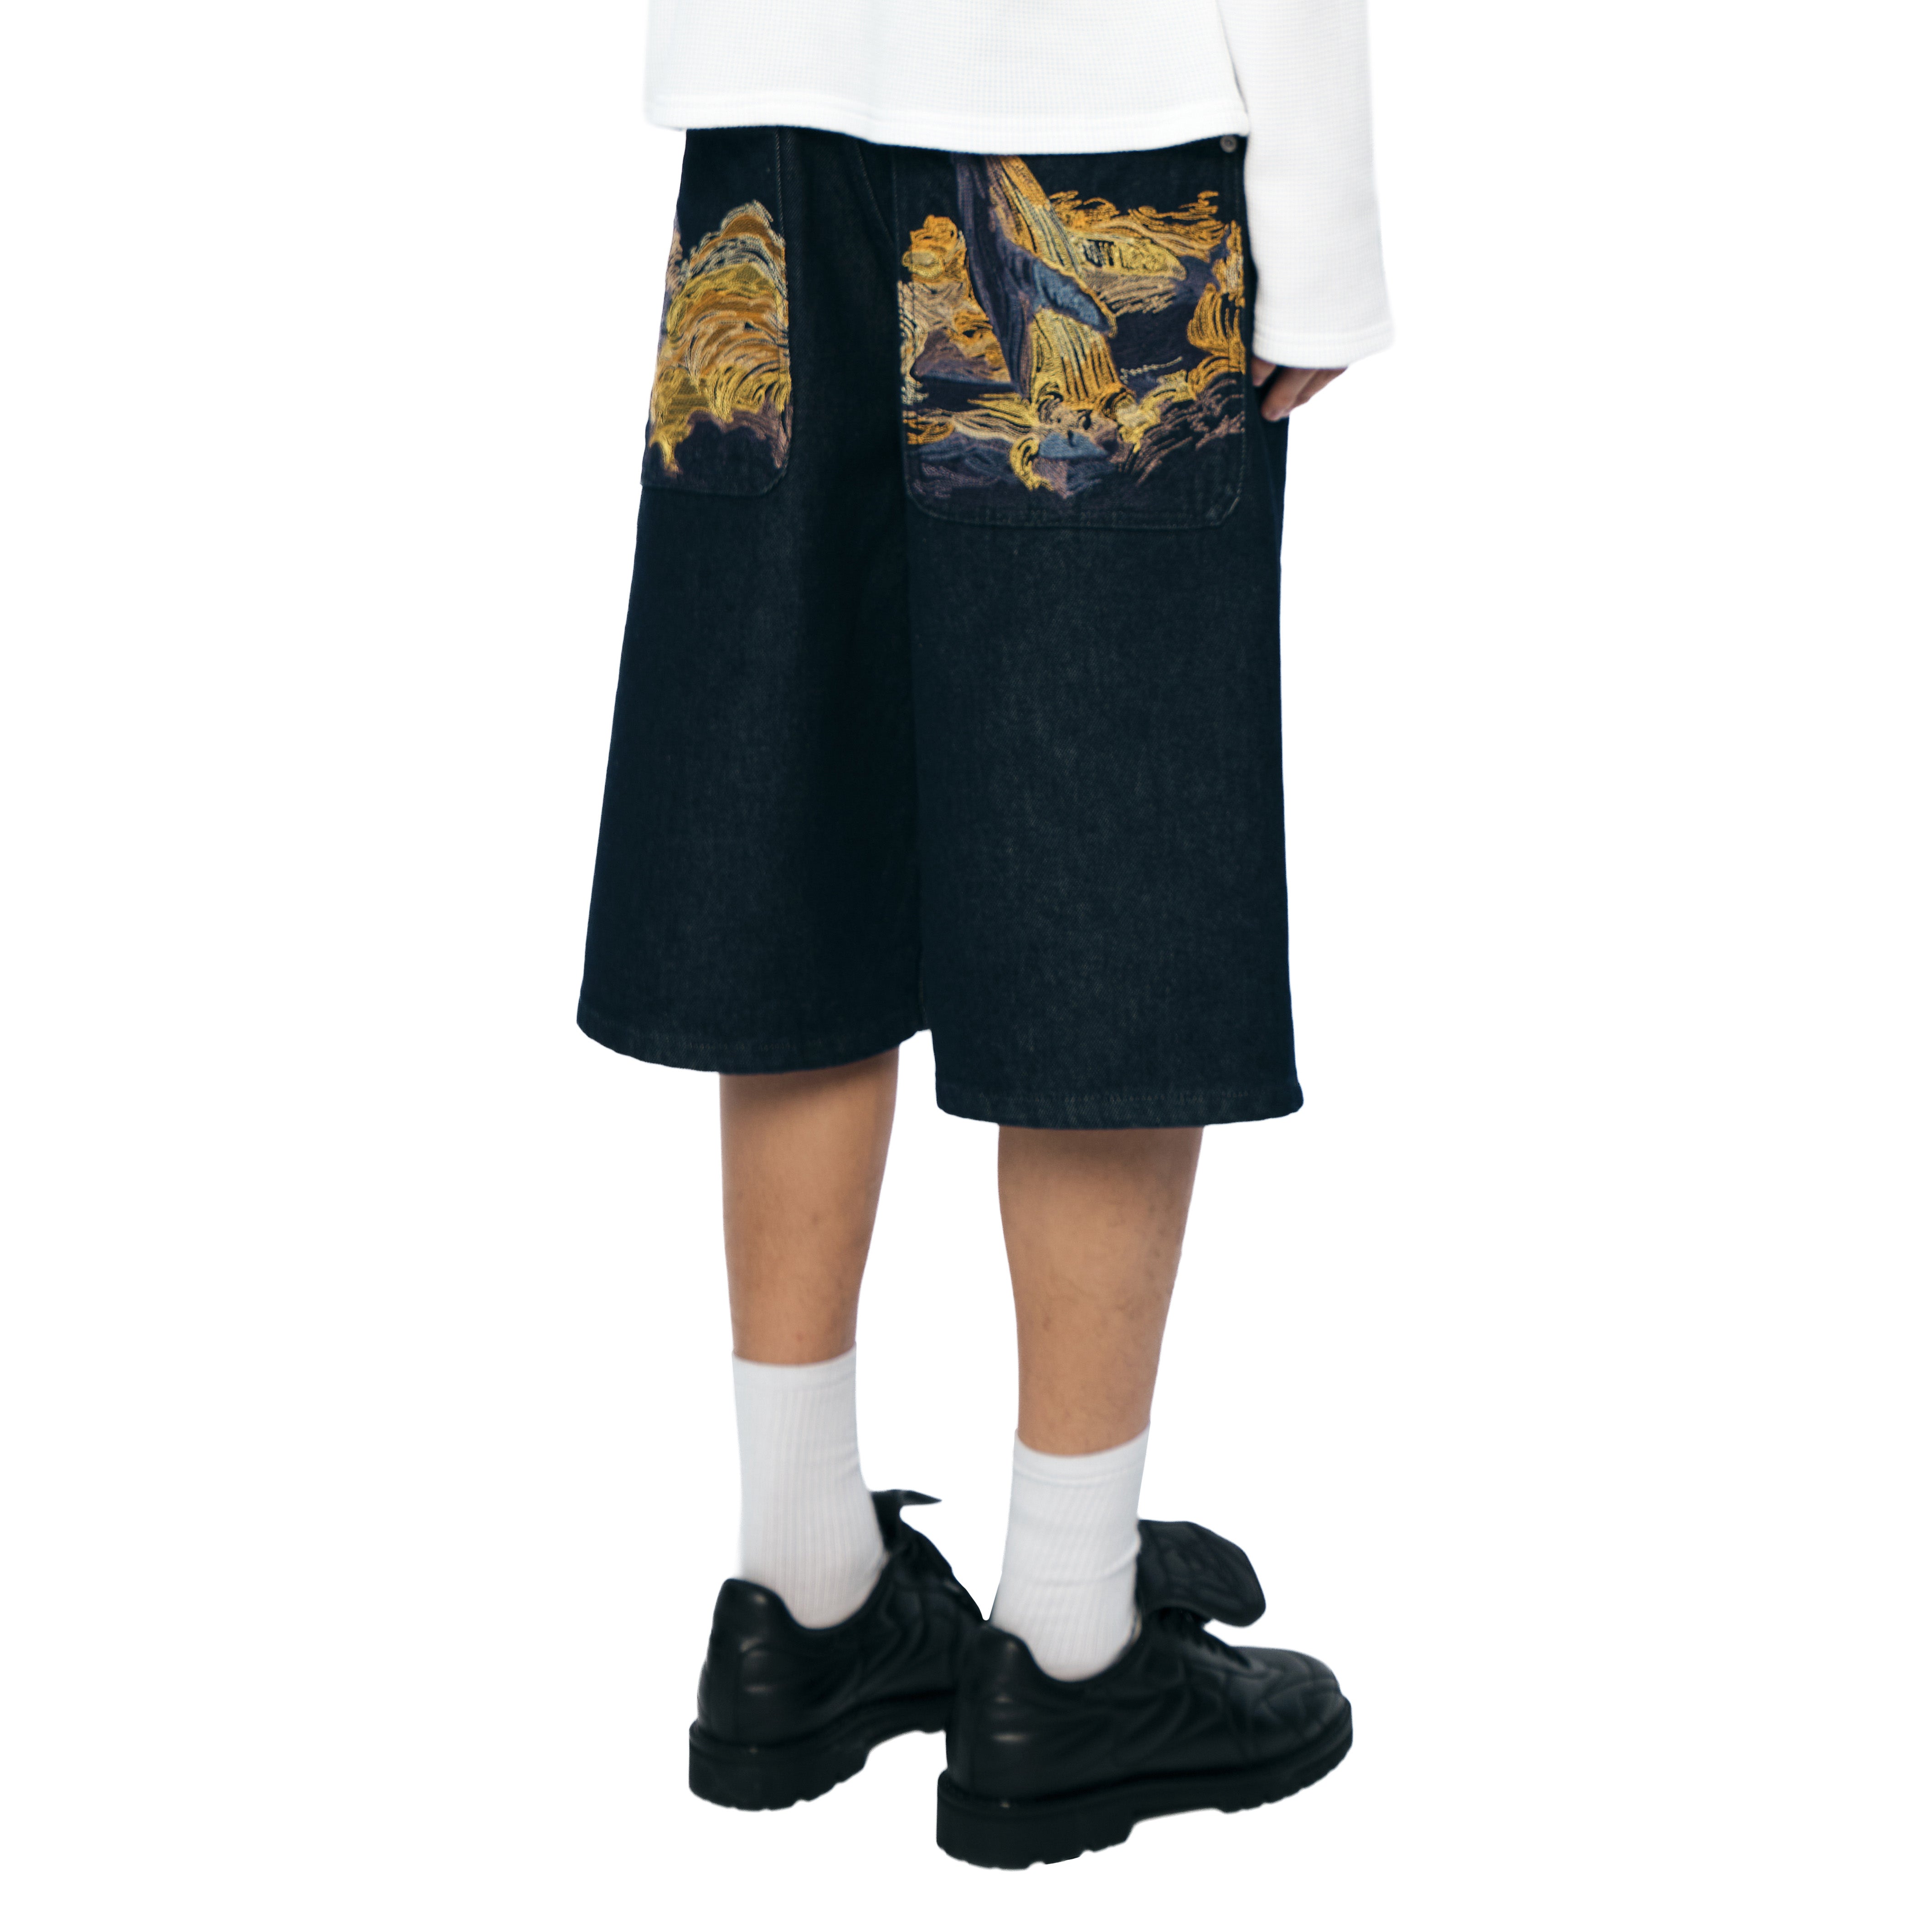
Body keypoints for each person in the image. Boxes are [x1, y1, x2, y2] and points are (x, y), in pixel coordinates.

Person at [578, 0, 1392, 1867]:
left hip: (774, 123)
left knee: (801, 817)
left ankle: (801, 1595)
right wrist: (1323, 221)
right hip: (1093, 130)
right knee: (1108, 864)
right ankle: (1070, 1637)